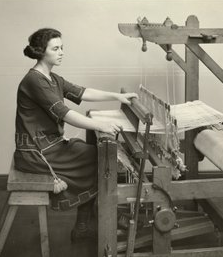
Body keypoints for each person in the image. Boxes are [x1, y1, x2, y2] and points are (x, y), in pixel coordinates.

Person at [14, 28, 137, 242]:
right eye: (55, 48)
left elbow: (82, 92)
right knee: (101, 159)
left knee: (95, 155)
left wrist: (118, 96)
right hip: (37, 153)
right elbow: (66, 114)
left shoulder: (52, 78)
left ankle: (84, 224)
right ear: (41, 52)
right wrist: (102, 125)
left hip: (50, 146)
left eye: (62, 47)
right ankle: (92, 223)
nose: (61, 52)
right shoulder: (34, 81)